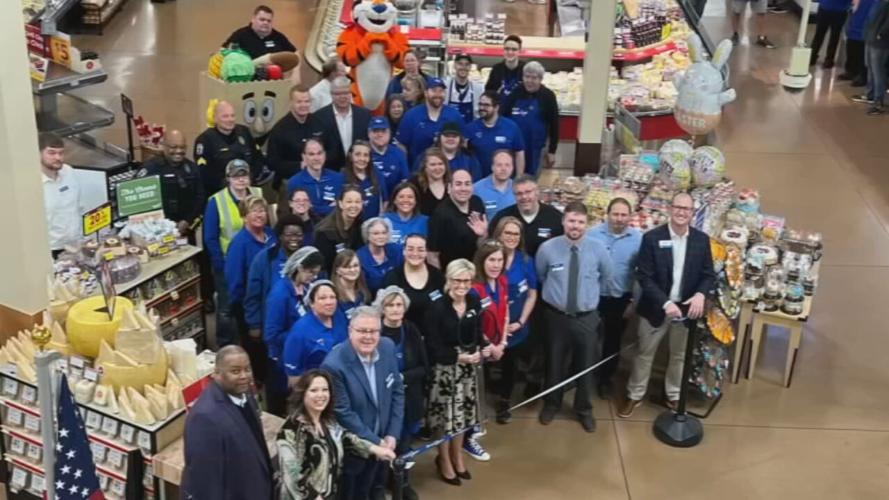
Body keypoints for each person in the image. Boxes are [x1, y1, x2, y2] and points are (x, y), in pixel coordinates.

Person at [618, 193, 714, 418]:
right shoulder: (652, 238)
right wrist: (665, 302)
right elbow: (644, 276)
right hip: (655, 309)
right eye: (678, 207)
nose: (681, 212)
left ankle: (673, 395)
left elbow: (708, 274)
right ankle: (635, 394)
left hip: (686, 310)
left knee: (679, 356)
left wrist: (700, 294)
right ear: (670, 209)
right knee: (644, 354)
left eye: (687, 209)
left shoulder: (701, 240)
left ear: (692, 213)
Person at [536, 201, 615, 433]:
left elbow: (607, 276)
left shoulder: (598, 249)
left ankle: (584, 410)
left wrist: (586, 298)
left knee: (586, 366)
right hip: (556, 317)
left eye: (580, 222)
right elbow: (542, 276)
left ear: (586, 224)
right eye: (571, 220)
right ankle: (552, 403)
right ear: (563, 221)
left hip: (586, 318)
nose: (575, 226)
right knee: (554, 363)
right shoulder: (547, 249)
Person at [321, 306, 406, 500]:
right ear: (350, 331)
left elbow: (397, 391)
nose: (368, 337)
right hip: (355, 452)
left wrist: (392, 434)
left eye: (373, 331)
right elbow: (343, 412)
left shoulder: (387, 347)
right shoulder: (333, 365)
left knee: (378, 490)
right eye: (362, 331)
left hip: (385, 443)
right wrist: (377, 443)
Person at [276, 369, 396, 500]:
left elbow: (346, 438)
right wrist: (313, 497)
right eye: (314, 390)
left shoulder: (328, 421)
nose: (320, 395)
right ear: (302, 394)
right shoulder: (290, 431)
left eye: (325, 389)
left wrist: (376, 449)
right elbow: (291, 474)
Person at [425, 259, 487, 486]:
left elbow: (478, 330)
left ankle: (457, 455)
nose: (462, 285)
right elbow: (432, 345)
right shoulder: (437, 307)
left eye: (467, 280)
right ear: (449, 281)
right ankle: (443, 459)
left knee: (463, 417)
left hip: (468, 369)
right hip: (445, 370)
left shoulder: (474, 300)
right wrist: (458, 357)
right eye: (457, 280)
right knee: (445, 418)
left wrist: (480, 348)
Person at [181, 346, 271, 500]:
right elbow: (206, 483)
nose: (244, 376)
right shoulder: (204, 417)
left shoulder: (244, 392)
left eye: (247, 369)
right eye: (235, 371)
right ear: (216, 373)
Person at [373, 286, 427, 500]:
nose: (395, 309)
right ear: (382, 308)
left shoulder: (411, 330)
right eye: (390, 305)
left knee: (404, 445)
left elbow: (424, 367)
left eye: (399, 305)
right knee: (382, 444)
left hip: (408, 399)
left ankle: (402, 483)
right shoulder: (375, 333)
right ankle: (380, 484)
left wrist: (402, 378)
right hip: (381, 402)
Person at [587, 198, 642, 399]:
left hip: (620, 299)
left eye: (623, 215)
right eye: (615, 214)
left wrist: (634, 303)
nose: (619, 219)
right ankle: (581, 376)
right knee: (588, 339)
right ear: (607, 214)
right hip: (593, 297)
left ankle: (605, 379)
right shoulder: (592, 235)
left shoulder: (638, 240)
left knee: (612, 341)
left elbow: (640, 274)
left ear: (630, 216)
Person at [204, 160, 263, 348]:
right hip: (229, 264)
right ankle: (225, 345)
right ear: (228, 178)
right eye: (236, 176)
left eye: (244, 175)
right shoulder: (216, 201)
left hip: (255, 262)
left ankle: (250, 341)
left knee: (252, 301)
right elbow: (210, 238)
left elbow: (266, 224)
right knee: (226, 307)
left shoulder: (258, 194)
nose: (241, 179)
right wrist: (221, 266)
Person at [263, 247, 324, 415]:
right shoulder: (280, 294)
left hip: (301, 358)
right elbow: (271, 334)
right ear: (299, 268)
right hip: (281, 363)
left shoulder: (304, 288)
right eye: (311, 272)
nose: (314, 277)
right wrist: (300, 337)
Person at [465, 239, 509, 461]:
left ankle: (476, 427)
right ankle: (468, 437)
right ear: (482, 261)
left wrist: (502, 343)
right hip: (477, 349)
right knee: (472, 393)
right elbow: (472, 325)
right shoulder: (474, 289)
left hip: (495, 346)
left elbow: (505, 312)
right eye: (491, 260)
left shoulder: (501, 282)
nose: (496, 264)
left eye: (500, 260)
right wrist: (489, 346)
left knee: (481, 392)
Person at [491, 216, 538, 423]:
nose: (511, 237)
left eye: (516, 234)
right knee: (488, 361)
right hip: (491, 326)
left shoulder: (526, 261)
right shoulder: (489, 258)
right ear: (499, 234)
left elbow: (532, 293)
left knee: (510, 365)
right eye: (507, 233)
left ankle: (504, 400)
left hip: (515, 327)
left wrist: (520, 321)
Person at [244, 214, 307, 347]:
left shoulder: (309, 257)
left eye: (298, 235)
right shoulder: (264, 259)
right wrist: (254, 324)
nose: (294, 239)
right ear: (280, 236)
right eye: (289, 235)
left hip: (303, 325)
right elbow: (252, 295)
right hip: (275, 326)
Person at [135, 130, 204, 238]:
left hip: (185, 229)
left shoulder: (191, 168)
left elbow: (200, 197)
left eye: (182, 147)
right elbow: (137, 198)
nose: (178, 151)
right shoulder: (150, 169)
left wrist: (187, 221)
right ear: (163, 146)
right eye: (174, 147)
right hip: (157, 231)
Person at [501, 62, 560, 177]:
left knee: (531, 182)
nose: (529, 81)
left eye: (534, 78)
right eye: (527, 77)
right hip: (513, 147)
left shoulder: (548, 96)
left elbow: (555, 124)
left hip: (536, 148)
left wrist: (552, 151)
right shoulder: (515, 93)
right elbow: (503, 117)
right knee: (511, 179)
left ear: (541, 79)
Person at [283, 280, 349, 383]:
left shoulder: (340, 318)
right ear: (312, 303)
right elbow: (293, 376)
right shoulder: (300, 331)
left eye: (332, 297)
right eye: (322, 298)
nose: (329, 302)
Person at [195, 100, 266, 195]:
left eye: (232, 115)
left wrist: (249, 178)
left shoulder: (244, 132)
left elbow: (258, 159)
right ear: (215, 118)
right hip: (220, 193)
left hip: (248, 190)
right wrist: (230, 184)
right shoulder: (205, 140)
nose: (230, 119)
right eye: (225, 116)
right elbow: (204, 173)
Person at [396, 78, 465, 167]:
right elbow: (401, 146)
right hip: (418, 170)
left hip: (449, 170)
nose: (438, 94)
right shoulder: (412, 115)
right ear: (425, 93)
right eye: (434, 91)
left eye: (441, 91)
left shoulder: (454, 115)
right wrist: (405, 169)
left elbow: (463, 143)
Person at [489, 175, 563, 257]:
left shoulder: (555, 217)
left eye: (528, 192)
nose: (524, 197)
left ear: (537, 192)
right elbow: (491, 247)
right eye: (519, 193)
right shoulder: (502, 217)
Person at [222, 5, 300, 82]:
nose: (265, 23)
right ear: (253, 19)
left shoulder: (278, 37)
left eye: (269, 21)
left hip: (274, 82)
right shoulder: (240, 35)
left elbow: (295, 54)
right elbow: (224, 51)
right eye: (262, 19)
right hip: (246, 82)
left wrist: (295, 75)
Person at [428, 169, 488, 270]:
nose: (463, 188)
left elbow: (483, 247)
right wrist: (441, 281)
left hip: (475, 269)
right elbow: (432, 255)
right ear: (449, 188)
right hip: (452, 273)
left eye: (467, 184)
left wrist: (483, 235)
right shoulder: (440, 214)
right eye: (458, 184)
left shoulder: (477, 203)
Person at [383, 234, 446, 327]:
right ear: (404, 251)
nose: (415, 254)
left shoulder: (437, 275)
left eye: (420, 250)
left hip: (435, 333)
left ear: (426, 252)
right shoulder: (393, 277)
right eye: (410, 249)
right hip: (406, 333)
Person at [267, 85, 324, 185]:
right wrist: (300, 165)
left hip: (318, 178)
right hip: (289, 180)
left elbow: (331, 149)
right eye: (299, 102)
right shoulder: (280, 129)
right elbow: (272, 162)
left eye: (307, 101)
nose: (303, 105)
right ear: (291, 103)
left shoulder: (319, 123)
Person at [39, 133, 83, 259]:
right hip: (50, 250)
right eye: (51, 153)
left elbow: (77, 207)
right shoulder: (33, 184)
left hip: (75, 244)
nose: (58, 157)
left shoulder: (68, 171)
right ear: (38, 153)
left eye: (61, 153)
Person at [315, 77, 373, 170]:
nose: (342, 97)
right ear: (331, 94)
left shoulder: (365, 115)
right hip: (330, 172)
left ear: (351, 93)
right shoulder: (319, 118)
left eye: (346, 93)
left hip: (360, 171)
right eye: (338, 93)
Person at [465, 90, 526, 178]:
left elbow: (519, 152)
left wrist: (519, 177)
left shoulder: (511, 127)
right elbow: (463, 154)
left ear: (496, 107)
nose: (482, 108)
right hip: (478, 181)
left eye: (486, 105)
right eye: (480, 104)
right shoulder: (470, 128)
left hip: (505, 181)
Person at [286, 138, 345, 217]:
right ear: (304, 157)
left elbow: (342, 207)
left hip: (334, 226)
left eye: (319, 153)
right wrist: (329, 208)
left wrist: (312, 207)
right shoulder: (294, 182)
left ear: (325, 155)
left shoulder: (338, 178)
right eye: (311, 154)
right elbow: (296, 213)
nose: (316, 158)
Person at [313, 186, 364, 269]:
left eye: (357, 202)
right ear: (340, 204)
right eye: (349, 202)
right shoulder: (325, 232)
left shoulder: (360, 225)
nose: (353, 205)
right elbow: (323, 266)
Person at [415, 121, 482, 179]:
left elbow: (476, 184)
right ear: (439, 137)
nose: (450, 139)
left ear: (460, 139)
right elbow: (415, 180)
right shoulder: (425, 157)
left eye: (454, 136)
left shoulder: (470, 159)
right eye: (447, 135)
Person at [357, 218, 404, 294]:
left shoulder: (396, 250)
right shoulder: (360, 257)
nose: (381, 236)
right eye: (376, 233)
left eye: (384, 233)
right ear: (367, 235)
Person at [343, 140, 388, 219]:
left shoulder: (377, 174)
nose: (362, 159)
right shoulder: (342, 177)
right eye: (357, 154)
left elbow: (385, 201)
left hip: (372, 225)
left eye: (366, 155)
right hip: (351, 225)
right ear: (350, 156)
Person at [369, 117, 410, 194]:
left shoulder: (399, 153)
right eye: (375, 131)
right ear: (369, 134)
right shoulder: (364, 154)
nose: (380, 134)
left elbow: (405, 181)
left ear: (389, 133)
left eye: (383, 131)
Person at [862, 0, 889, 115]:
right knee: (870, 68)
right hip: (871, 37)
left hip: (880, 42)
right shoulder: (878, 2)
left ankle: (878, 101)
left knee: (878, 71)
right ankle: (871, 94)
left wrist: (881, 34)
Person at [840, 0, 877, 84]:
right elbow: (850, 7)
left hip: (866, 28)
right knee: (851, 50)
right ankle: (850, 71)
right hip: (854, 25)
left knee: (862, 55)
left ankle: (862, 76)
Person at [474, 150, 516, 220]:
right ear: (492, 167)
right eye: (499, 165)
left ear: (512, 168)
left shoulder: (518, 189)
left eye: (507, 165)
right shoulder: (477, 189)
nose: (503, 169)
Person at [809, 0, 852, 68]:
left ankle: (829, 60)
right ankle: (812, 57)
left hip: (839, 11)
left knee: (834, 37)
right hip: (825, 9)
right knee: (819, 35)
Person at [410, 148, 451, 216]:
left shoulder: (453, 183)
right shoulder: (414, 184)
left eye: (440, 164)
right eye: (433, 164)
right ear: (425, 167)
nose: (437, 168)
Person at [332, 249, 371, 319]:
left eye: (355, 265)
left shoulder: (363, 291)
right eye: (347, 267)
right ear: (337, 270)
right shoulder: (333, 294)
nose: (352, 270)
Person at [445, 54, 485, 123]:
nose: (463, 67)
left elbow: (480, 114)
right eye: (460, 64)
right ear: (454, 65)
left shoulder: (478, 88)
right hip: (449, 131)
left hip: (470, 130)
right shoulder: (446, 86)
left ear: (470, 67)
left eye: (467, 64)